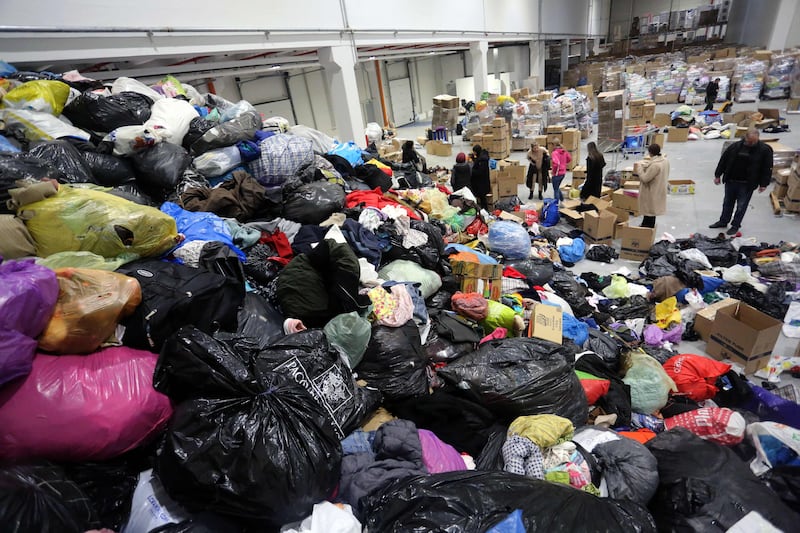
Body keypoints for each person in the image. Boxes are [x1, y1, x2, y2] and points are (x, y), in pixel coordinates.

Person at [709, 127, 772, 235]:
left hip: (747, 184)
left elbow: (767, 168)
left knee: (741, 206)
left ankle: (735, 225)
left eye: (754, 141)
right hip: (731, 181)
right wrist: (718, 175)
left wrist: (764, 184)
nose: (751, 143)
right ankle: (723, 221)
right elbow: (724, 160)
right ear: (745, 138)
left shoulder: (765, 150)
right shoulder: (735, 146)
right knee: (727, 203)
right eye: (749, 141)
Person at [636, 143, 670, 228]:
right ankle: (646, 225)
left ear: (650, 152)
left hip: (651, 191)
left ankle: (646, 228)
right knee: (652, 211)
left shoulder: (655, 165)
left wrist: (639, 168)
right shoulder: (665, 161)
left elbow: (645, 178)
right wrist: (648, 165)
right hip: (659, 188)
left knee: (649, 211)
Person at [470, 145, 491, 210]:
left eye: (474, 152)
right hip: (482, 182)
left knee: (482, 198)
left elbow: (480, 172)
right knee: (482, 197)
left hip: (482, 183)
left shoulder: (482, 161)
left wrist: (471, 171)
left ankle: (485, 210)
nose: (474, 153)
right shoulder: (481, 158)